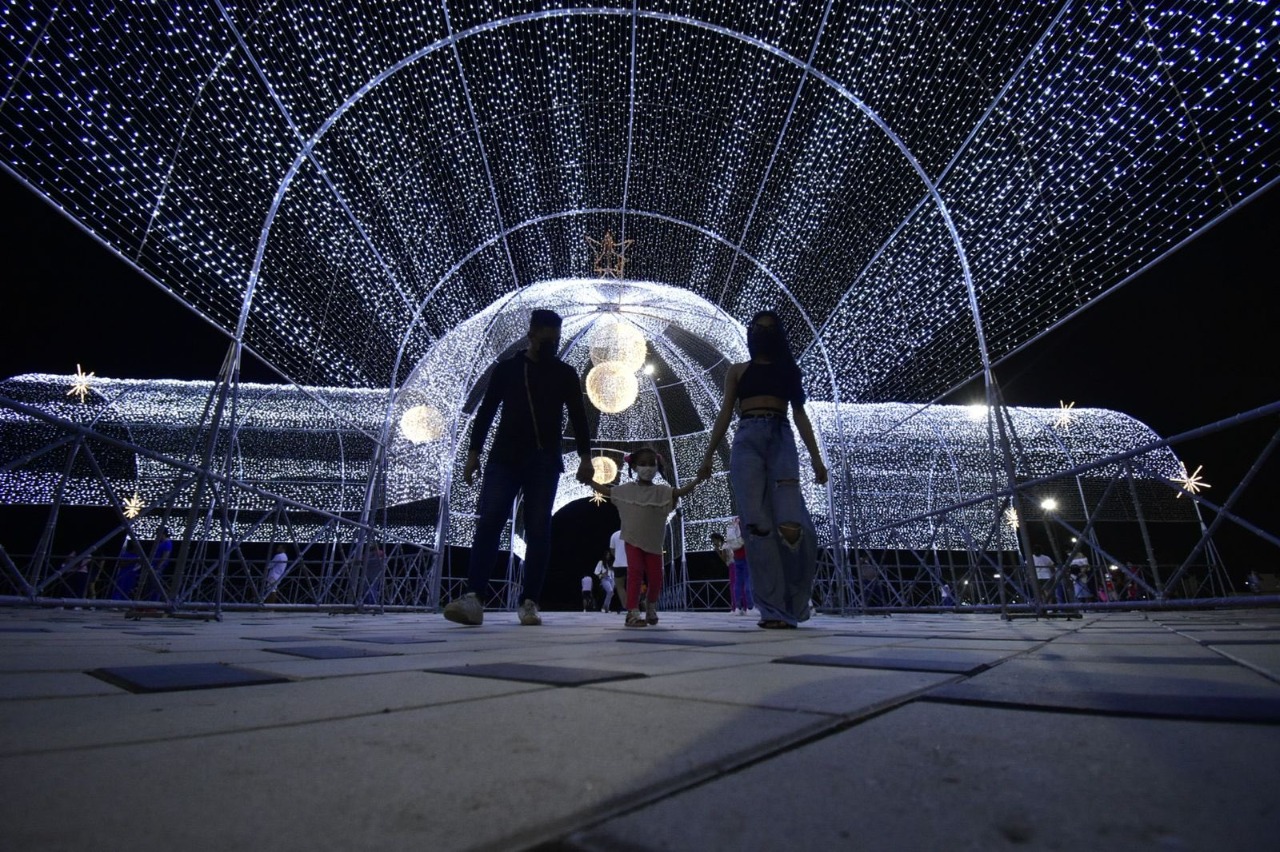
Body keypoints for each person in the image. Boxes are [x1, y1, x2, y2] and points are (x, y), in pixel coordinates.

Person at [443, 309, 594, 627]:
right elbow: (486, 412)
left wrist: (585, 457)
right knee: (490, 522)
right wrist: (474, 453)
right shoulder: (508, 370)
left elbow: (579, 416)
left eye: (556, 339)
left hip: (544, 459)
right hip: (505, 457)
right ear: (531, 335)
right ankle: (473, 597)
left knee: (539, 528)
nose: (552, 344)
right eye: (546, 338)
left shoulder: (565, 373)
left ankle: (529, 601)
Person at [697, 310, 828, 629]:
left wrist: (816, 458)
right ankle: (772, 609)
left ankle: (796, 603)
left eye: (769, 329)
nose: (762, 333)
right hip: (747, 440)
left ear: (778, 335)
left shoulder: (789, 370)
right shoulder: (738, 371)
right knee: (757, 525)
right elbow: (726, 412)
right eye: (757, 329)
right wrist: (709, 454)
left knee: (792, 525)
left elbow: (800, 415)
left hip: (781, 436)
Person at [590, 446, 703, 627]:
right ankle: (632, 612)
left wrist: (698, 479)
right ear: (634, 466)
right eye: (643, 464)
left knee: (657, 577)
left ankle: (651, 607)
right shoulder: (626, 490)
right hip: (632, 541)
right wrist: (589, 480)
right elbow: (607, 491)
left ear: (658, 466)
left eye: (652, 464)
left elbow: (679, 492)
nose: (648, 468)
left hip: (654, 544)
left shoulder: (662, 491)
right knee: (634, 574)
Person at [724, 516, 753, 614]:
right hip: (746, 556)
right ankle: (750, 607)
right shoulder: (744, 525)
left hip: (737, 557)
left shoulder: (733, 526)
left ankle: (737, 607)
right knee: (748, 581)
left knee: (737, 583)